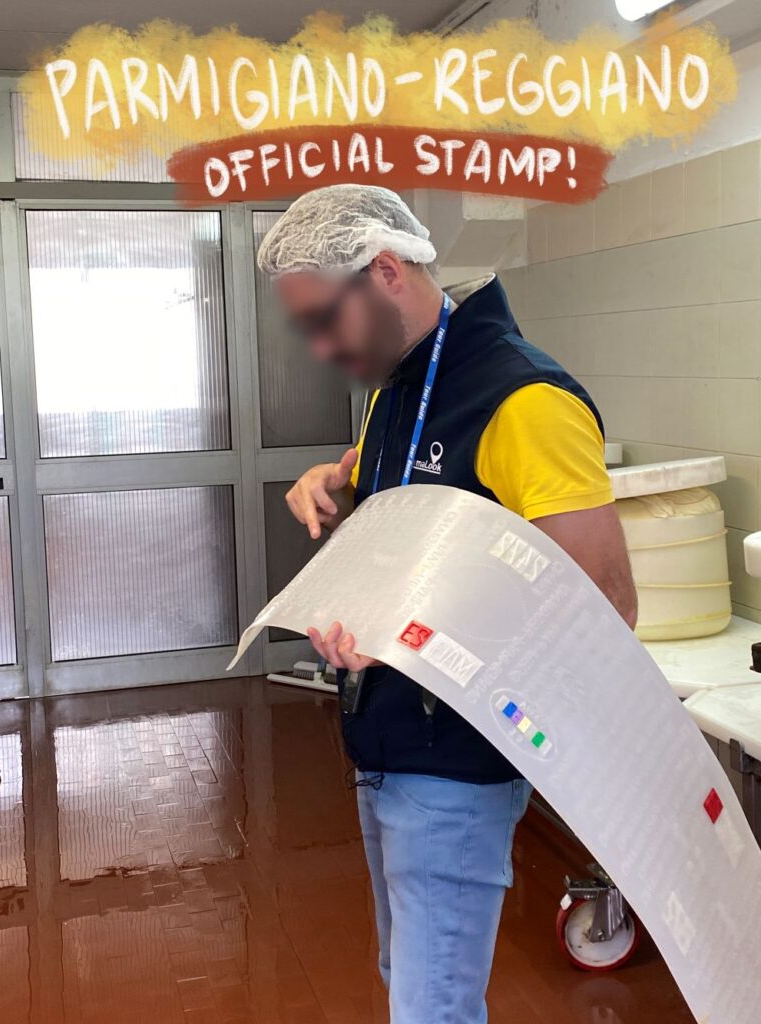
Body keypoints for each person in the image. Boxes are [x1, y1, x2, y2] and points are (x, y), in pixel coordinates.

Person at [257, 184, 637, 1024]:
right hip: (386, 737)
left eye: (325, 322)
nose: (320, 349)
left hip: (457, 759)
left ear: (385, 271)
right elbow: (404, 489)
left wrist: (416, 639)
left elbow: (603, 608)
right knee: (410, 978)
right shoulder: (401, 388)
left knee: (432, 1006)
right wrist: (332, 479)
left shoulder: (523, 401)